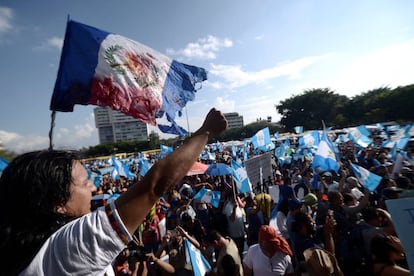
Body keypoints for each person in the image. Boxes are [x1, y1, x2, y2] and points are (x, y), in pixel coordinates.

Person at [0, 108, 227, 275]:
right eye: (85, 182)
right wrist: (206, 131)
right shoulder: (66, 248)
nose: (94, 188)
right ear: (56, 201)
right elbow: (154, 186)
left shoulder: (29, 257)